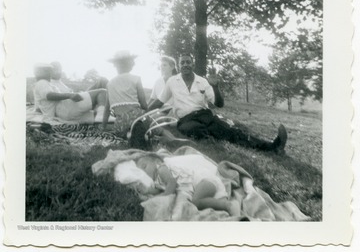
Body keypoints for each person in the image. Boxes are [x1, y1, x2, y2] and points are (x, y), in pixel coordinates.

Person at [148, 53, 288, 153]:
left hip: (205, 116)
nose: (185, 65)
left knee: (233, 132)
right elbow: (159, 102)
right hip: (186, 119)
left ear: (192, 64)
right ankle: (212, 134)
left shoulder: (202, 81)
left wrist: (215, 86)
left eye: (188, 62)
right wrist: (142, 112)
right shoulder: (173, 81)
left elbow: (219, 104)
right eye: (182, 62)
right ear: (179, 66)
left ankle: (273, 145)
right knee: (191, 129)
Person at [136, 154, 240, 217]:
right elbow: (162, 189)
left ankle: (228, 205)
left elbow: (171, 184)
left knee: (196, 201)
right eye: (139, 171)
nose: (143, 172)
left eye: (144, 166)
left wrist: (162, 197)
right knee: (211, 204)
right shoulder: (157, 180)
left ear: (157, 162)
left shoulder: (161, 168)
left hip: (202, 179)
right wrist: (148, 191)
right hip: (203, 183)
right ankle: (231, 209)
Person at [33, 63, 106, 123]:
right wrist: (69, 95)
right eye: (48, 71)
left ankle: (104, 114)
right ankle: (103, 114)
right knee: (102, 92)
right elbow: (49, 95)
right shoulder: (42, 83)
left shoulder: (47, 84)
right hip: (63, 109)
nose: (50, 73)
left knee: (95, 114)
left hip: (62, 112)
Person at [102, 50, 148, 138]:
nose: (133, 63)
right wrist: (147, 115)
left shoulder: (110, 83)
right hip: (136, 117)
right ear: (129, 63)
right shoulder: (136, 79)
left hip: (120, 123)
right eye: (132, 61)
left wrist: (103, 126)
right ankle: (167, 137)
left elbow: (107, 108)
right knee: (155, 127)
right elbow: (144, 104)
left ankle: (128, 135)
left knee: (124, 132)